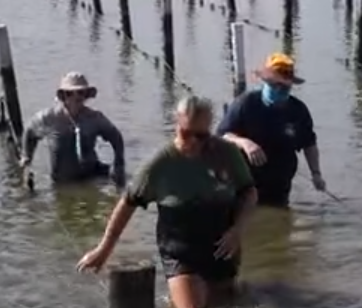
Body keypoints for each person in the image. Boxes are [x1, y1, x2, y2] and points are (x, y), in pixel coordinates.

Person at [77, 96, 257, 308]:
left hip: (222, 248)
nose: (192, 141)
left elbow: (249, 193)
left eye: (201, 135)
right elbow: (128, 203)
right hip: (181, 250)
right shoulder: (161, 164)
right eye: (186, 133)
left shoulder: (227, 153)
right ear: (176, 125)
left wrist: (238, 229)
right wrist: (104, 250)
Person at [216, 52, 325, 209]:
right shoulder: (246, 104)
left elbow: (309, 143)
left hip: (280, 182)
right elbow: (222, 136)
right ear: (265, 82)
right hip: (246, 179)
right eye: (275, 85)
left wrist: (316, 174)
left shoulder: (298, 110)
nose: (280, 89)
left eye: (284, 86)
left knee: (278, 219)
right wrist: (245, 143)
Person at [22, 72, 126, 187]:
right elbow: (29, 132)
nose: (76, 97)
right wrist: (27, 159)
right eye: (70, 93)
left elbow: (116, 137)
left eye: (81, 92)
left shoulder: (95, 118)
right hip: (62, 180)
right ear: (63, 96)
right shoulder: (48, 118)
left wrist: (119, 164)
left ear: (86, 95)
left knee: (124, 182)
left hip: (91, 175)